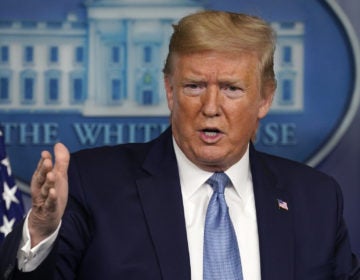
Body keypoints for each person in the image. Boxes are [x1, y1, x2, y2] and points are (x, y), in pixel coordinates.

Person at [1, 10, 359, 280]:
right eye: (194, 87)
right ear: (170, 92)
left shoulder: (315, 198)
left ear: (265, 99)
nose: (211, 107)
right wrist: (42, 233)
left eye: (232, 88)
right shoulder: (93, 183)